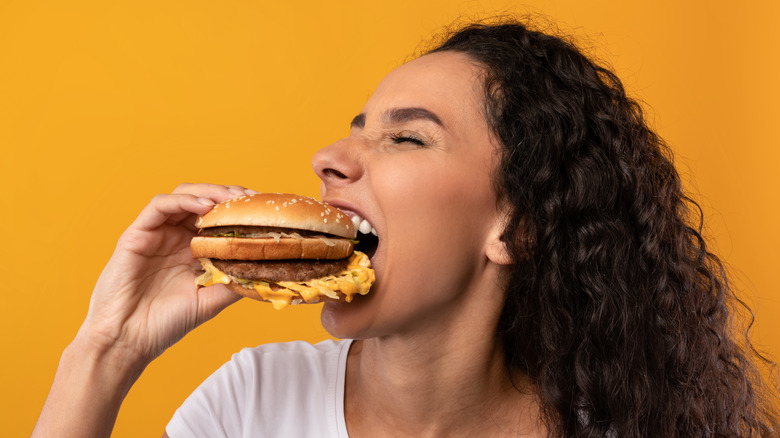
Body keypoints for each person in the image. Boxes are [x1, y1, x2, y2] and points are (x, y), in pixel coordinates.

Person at [33, 19, 778, 438]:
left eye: (406, 138)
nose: (330, 158)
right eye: (355, 132)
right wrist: (105, 349)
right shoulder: (253, 405)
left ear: (515, 227)